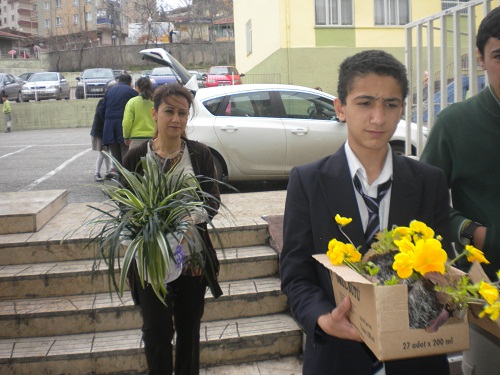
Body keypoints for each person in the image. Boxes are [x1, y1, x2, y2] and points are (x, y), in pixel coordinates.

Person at [279, 50, 452, 375]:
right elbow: (296, 275)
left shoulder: (430, 181)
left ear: (402, 108)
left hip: (419, 357)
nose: (378, 117)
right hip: (337, 359)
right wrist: (322, 317)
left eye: (390, 104)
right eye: (365, 103)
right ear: (340, 107)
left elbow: (446, 261)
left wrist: (448, 300)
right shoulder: (308, 181)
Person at [420, 7, 500, 375]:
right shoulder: (455, 124)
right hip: (489, 297)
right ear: (481, 60)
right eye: (499, 56)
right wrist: (473, 233)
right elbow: (422, 203)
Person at [122, 83, 222, 375]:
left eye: (182, 112)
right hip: (151, 264)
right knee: (155, 331)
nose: (176, 119)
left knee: (189, 331)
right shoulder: (136, 158)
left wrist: (187, 218)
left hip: (191, 260)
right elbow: (126, 208)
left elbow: (213, 201)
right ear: (154, 113)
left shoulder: (200, 154)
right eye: (169, 111)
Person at [99, 73, 138, 165]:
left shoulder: (109, 91)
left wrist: (107, 122)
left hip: (109, 127)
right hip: (123, 126)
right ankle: (126, 177)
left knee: (115, 157)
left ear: (118, 81)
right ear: (130, 82)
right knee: (126, 155)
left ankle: (118, 177)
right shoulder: (132, 92)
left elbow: (101, 110)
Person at [90, 80, 115, 181]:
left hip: (105, 131)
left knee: (106, 152)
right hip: (100, 132)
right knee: (103, 152)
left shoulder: (108, 101)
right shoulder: (103, 101)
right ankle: (97, 173)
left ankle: (108, 172)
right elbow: (101, 116)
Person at [122, 77, 156, 149]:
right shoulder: (155, 102)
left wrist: (126, 137)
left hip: (136, 140)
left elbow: (127, 123)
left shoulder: (132, 102)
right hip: (154, 139)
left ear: (137, 88)